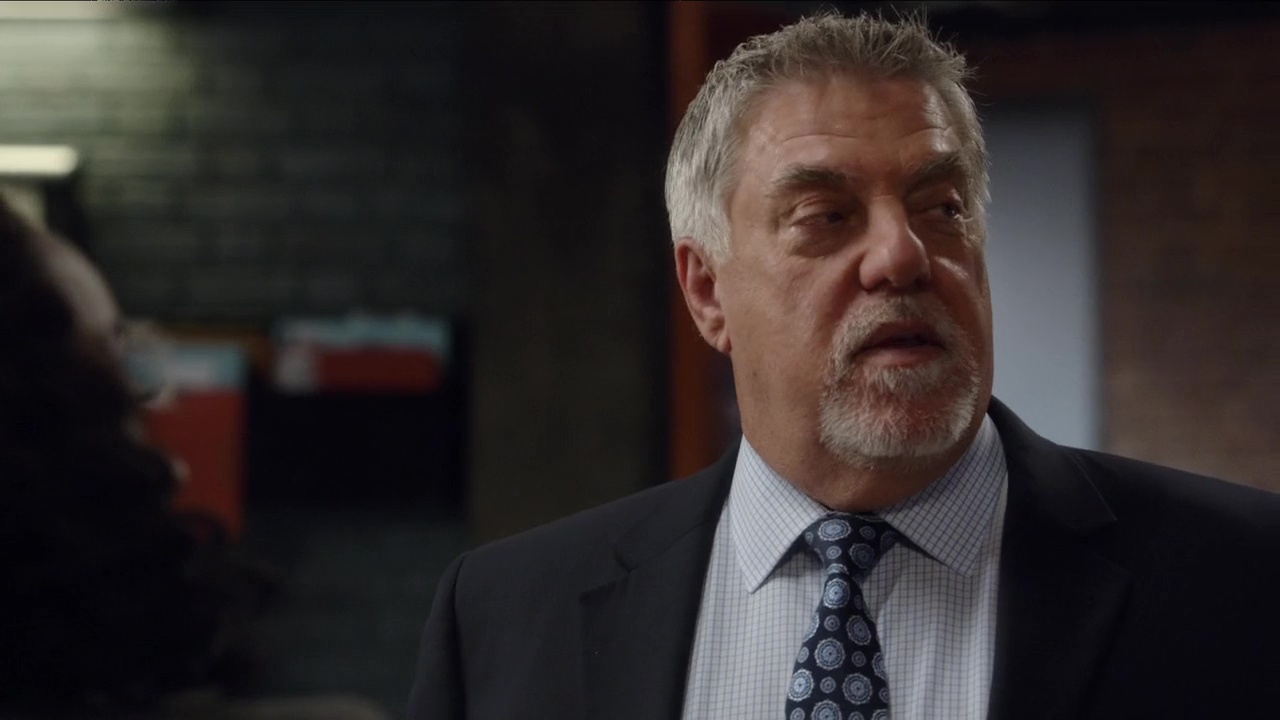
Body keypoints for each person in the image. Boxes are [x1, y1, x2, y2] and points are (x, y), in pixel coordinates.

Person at [408, 13, 1279, 720]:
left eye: (941, 208)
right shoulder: (506, 618)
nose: (902, 255)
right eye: (826, 217)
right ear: (707, 291)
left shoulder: (1242, 580)